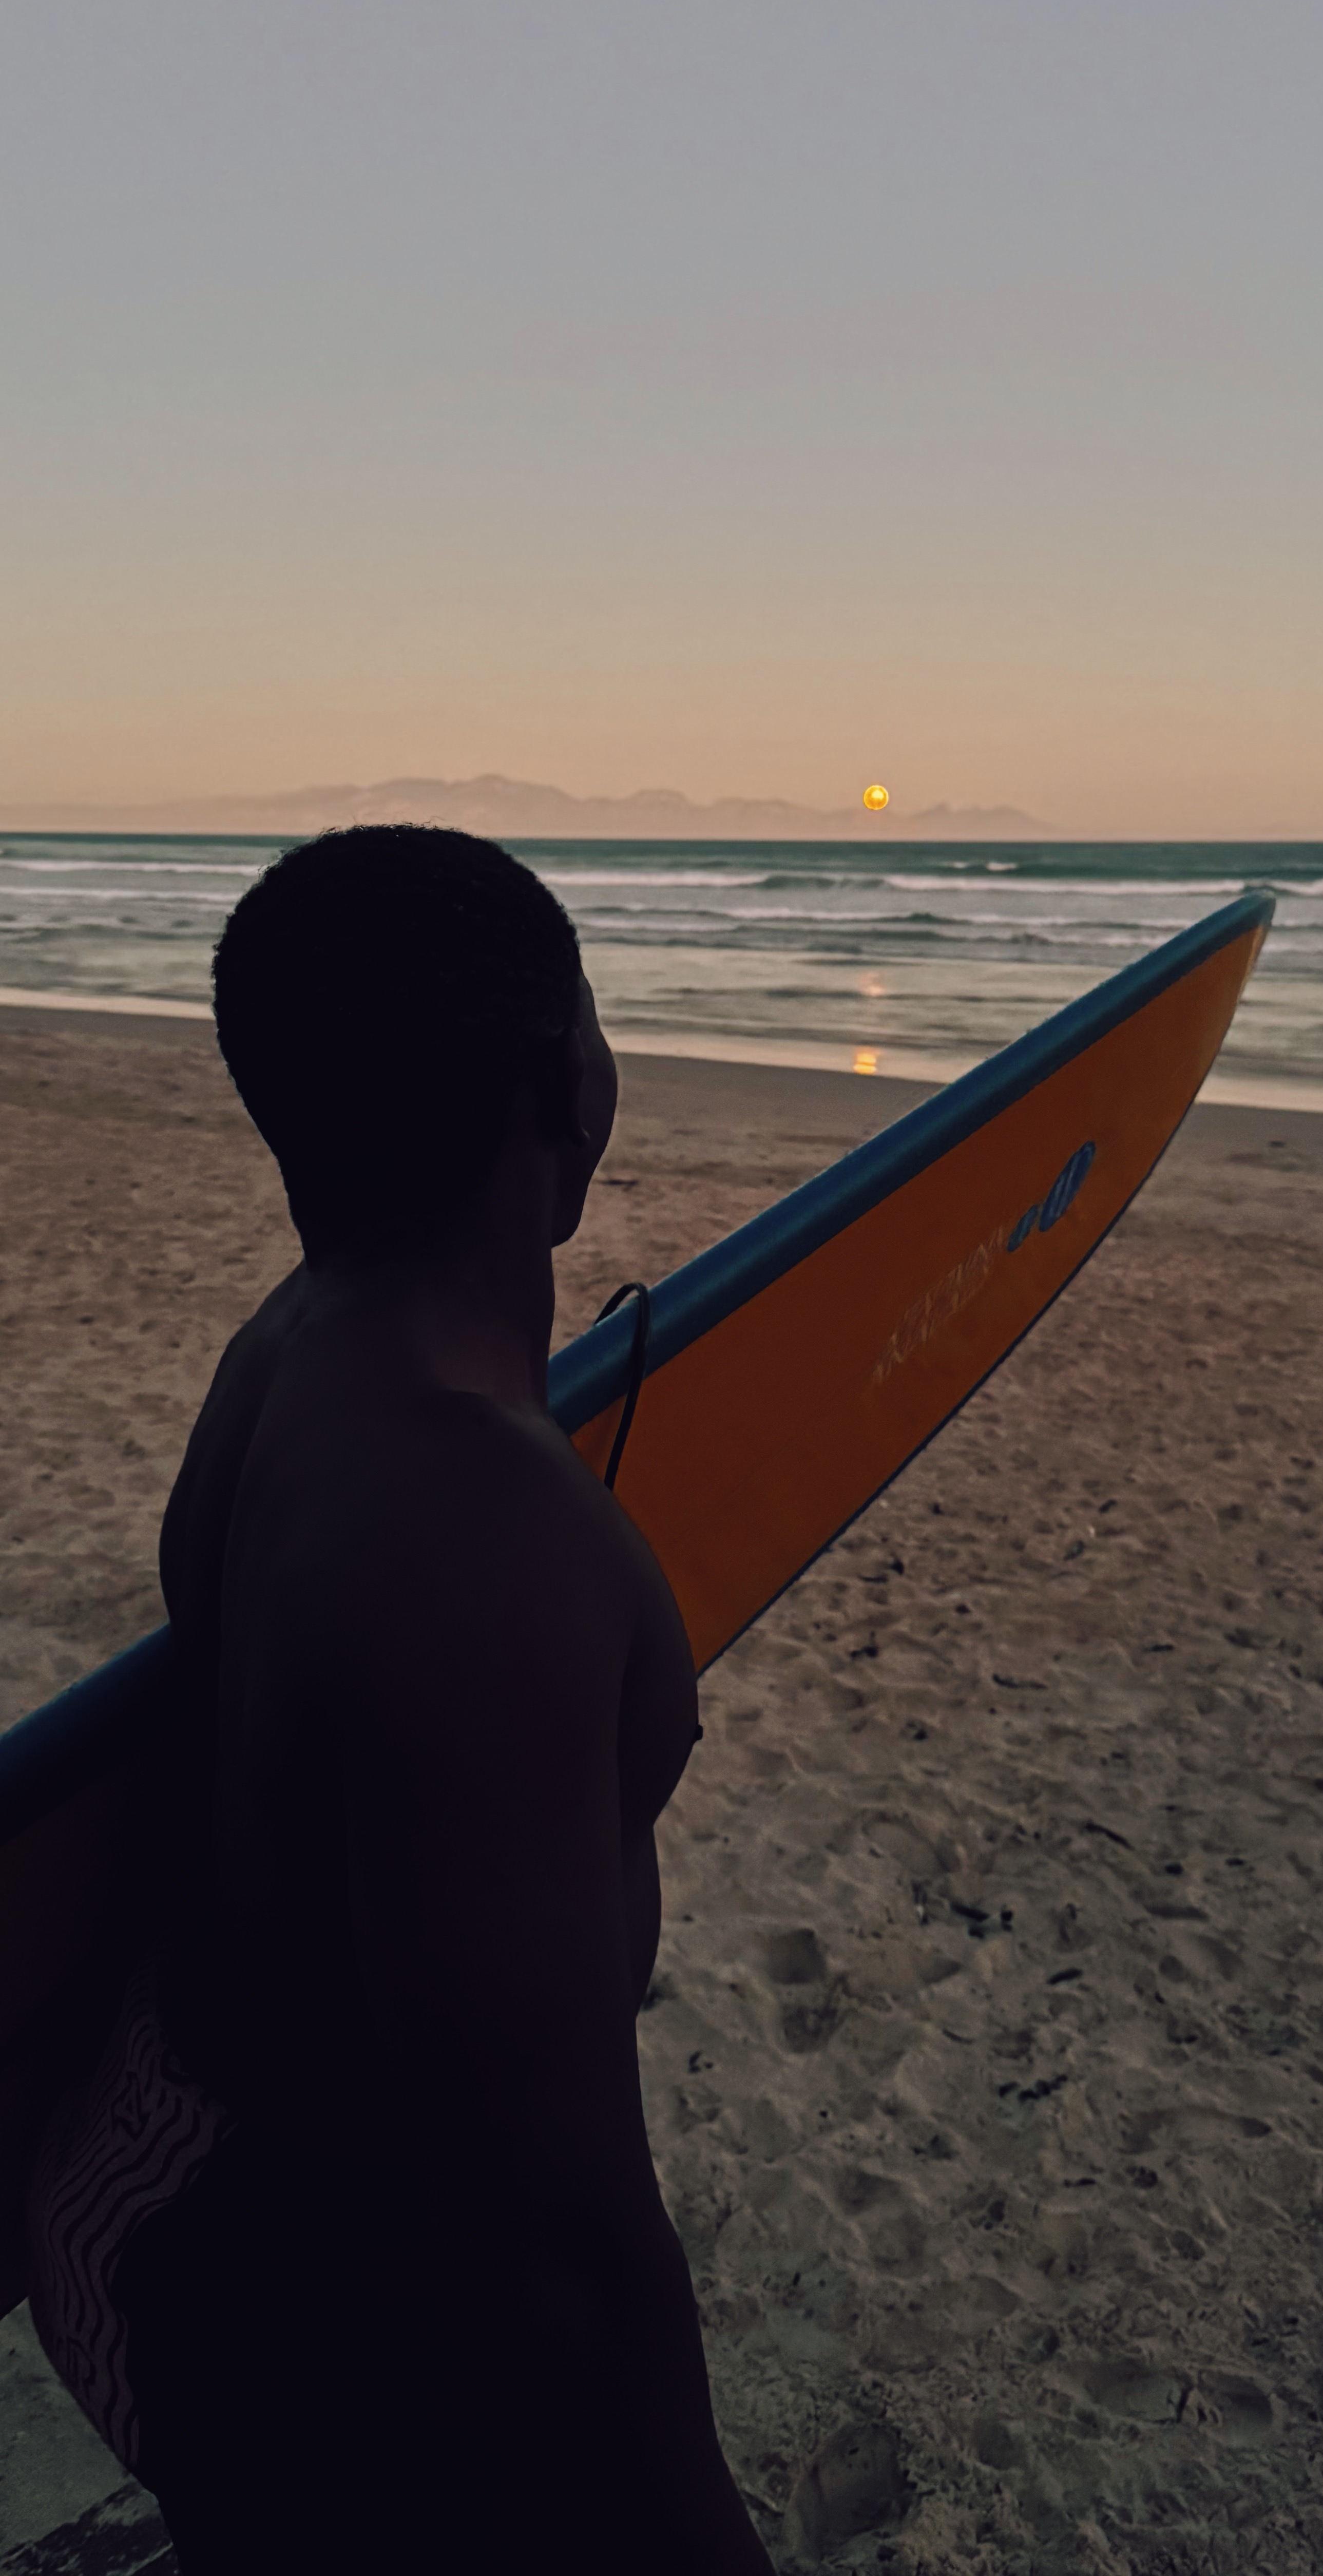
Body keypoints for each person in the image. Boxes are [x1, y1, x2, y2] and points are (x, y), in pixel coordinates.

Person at [28, 825, 773, 2573]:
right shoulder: (483, 1531)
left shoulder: (296, 1342)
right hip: (276, 2293)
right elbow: (566, 2226)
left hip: (148, 2137)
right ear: (567, 1087)